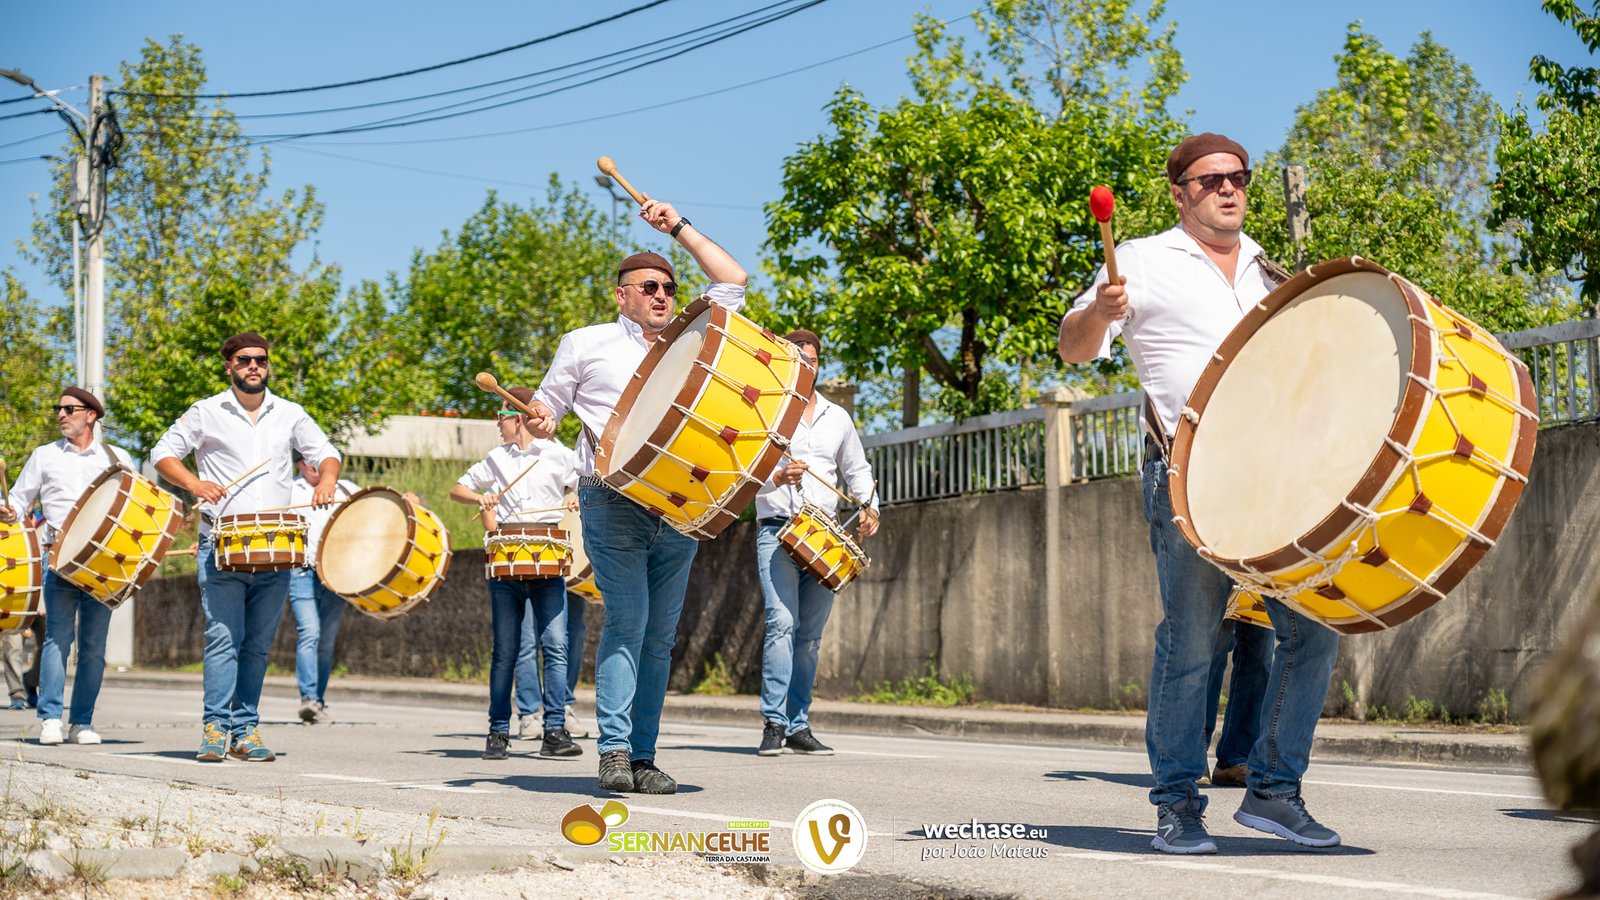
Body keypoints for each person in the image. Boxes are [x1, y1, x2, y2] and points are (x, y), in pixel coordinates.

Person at [1058, 133, 1341, 854]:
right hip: (1188, 477)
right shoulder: (1145, 261)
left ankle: (1275, 792)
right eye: (1212, 179)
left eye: (1239, 178)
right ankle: (1178, 804)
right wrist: (1100, 310)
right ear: (1180, 191)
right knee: (1192, 642)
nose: (1229, 188)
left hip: (1277, 480)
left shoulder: (1268, 271)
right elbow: (1074, 346)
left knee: (1313, 631)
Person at [527, 198, 747, 794]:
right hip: (611, 499)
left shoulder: (693, 338)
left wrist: (676, 227)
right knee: (629, 619)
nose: (662, 295)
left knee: (659, 635)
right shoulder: (584, 343)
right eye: (648, 286)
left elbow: (732, 279)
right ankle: (615, 753)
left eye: (669, 287)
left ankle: (643, 757)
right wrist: (543, 417)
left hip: (678, 504)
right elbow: (548, 403)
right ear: (620, 294)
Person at [153, 332, 342, 763]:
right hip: (220, 543)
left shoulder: (289, 413)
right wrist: (194, 483)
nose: (253, 366)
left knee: (257, 645)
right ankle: (215, 727)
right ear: (229, 367)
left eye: (260, 359)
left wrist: (328, 478)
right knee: (223, 638)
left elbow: (326, 452)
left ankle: (246, 731)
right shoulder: (206, 412)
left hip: (276, 548)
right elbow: (163, 453)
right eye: (243, 360)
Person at [753, 330, 879, 757]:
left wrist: (869, 506)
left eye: (813, 359)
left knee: (809, 636)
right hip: (776, 528)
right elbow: (742, 473)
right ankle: (773, 722)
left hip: (825, 532)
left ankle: (798, 724)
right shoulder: (765, 411)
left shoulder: (837, 416)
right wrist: (777, 477)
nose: (807, 365)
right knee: (781, 624)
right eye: (799, 358)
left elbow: (858, 469)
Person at [451, 386, 581, 761]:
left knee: (556, 646)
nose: (498, 422)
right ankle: (498, 732)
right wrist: (481, 498)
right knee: (505, 651)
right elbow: (457, 488)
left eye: (503, 415)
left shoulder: (559, 455)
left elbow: (585, 483)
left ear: (520, 417)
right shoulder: (496, 458)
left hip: (548, 562)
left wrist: (574, 496)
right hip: (506, 563)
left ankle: (554, 731)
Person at [0, 387, 132, 745]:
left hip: (104, 563)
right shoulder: (44, 456)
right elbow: (17, 499)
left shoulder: (117, 458)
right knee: (58, 638)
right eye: (59, 409)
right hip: (56, 557)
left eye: (70, 409)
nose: (61, 414)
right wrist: (10, 510)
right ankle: (50, 718)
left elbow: (134, 507)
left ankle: (82, 722)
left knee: (93, 646)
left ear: (91, 415)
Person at [289, 456, 361, 725]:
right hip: (301, 570)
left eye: (316, 459)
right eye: (304, 460)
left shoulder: (347, 489)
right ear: (297, 464)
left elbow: (374, 512)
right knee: (310, 632)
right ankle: (308, 698)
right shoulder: (289, 490)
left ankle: (317, 701)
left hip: (336, 573)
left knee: (327, 640)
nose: (311, 464)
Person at [1201, 617, 1270, 787]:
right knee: (1214, 645)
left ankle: (1236, 757)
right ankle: (1193, 754)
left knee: (1259, 651)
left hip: (1265, 590)